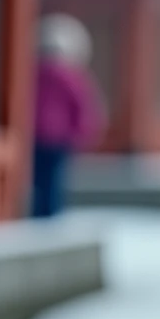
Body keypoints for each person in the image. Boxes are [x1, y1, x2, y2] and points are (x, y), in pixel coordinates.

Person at [32, 12, 104, 218]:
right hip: (58, 137)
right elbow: (83, 106)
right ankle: (51, 213)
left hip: (36, 134)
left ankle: (40, 211)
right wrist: (83, 132)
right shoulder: (71, 76)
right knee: (53, 179)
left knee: (38, 178)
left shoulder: (33, 72)